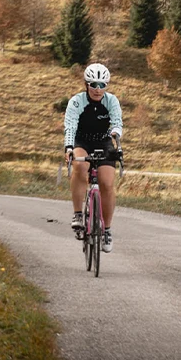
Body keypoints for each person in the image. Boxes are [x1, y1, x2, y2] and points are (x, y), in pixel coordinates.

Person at [64, 63, 123, 253]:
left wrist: (116, 135)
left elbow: (117, 122)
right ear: (86, 84)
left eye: (102, 85)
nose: (98, 89)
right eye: (93, 84)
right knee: (80, 168)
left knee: (107, 183)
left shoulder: (111, 101)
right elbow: (71, 125)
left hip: (104, 142)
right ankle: (78, 214)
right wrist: (69, 148)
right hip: (82, 142)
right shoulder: (77, 101)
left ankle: (106, 230)